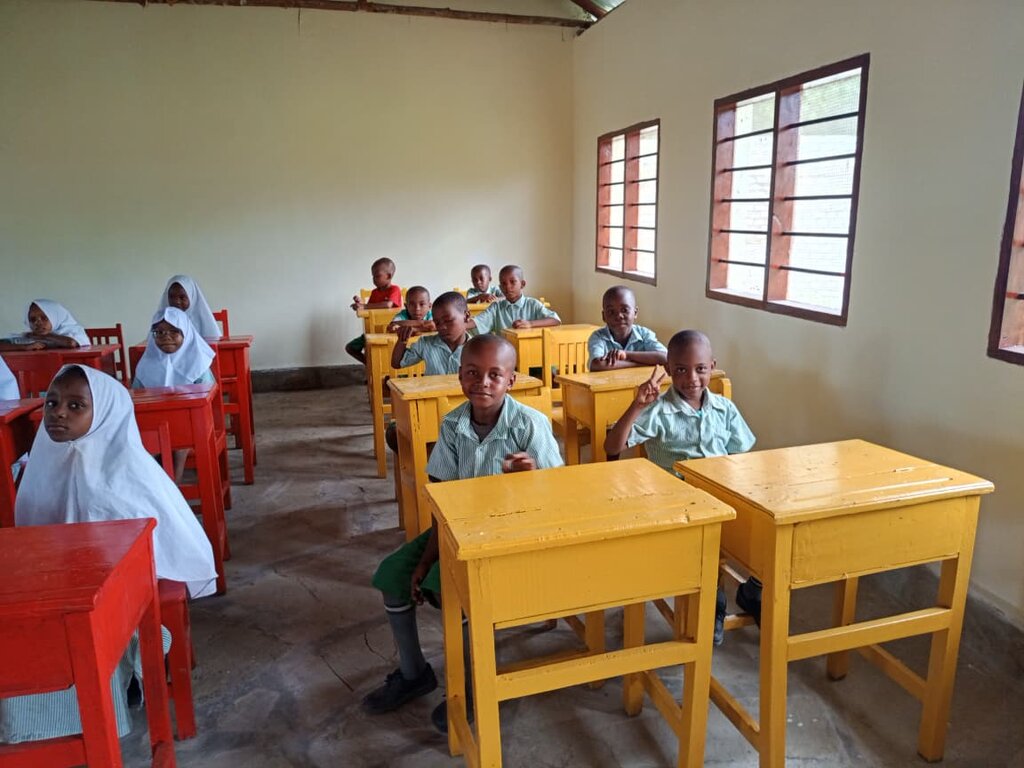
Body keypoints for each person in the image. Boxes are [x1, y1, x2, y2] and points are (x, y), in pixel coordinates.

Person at [2, 365, 216, 744]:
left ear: (104, 414)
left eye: (75, 405)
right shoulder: (43, 465)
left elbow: (152, 548)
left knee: (81, 636)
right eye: (52, 403)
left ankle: (111, 689)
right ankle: (61, 705)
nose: (58, 413)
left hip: (124, 585)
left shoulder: (127, 473)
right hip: (62, 584)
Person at [363, 335, 562, 732]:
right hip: (459, 530)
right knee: (392, 576)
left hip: (512, 535)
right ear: (459, 376)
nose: (482, 383)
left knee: (456, 594)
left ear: (512, 379)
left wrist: (533, 479)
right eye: (473, 373)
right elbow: (443, 504)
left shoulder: (530, 424)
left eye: (495, 375)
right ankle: (414, 671)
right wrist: (424, 558)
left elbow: (558, 496)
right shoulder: (453, 425)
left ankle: (473, 684)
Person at [604, 330, 758, 644]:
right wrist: (636, 406)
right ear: (670, 370)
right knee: (709, 545)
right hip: (675, 501)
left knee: (766, 531)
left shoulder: (724, 409)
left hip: (720, 494)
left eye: (700, 369)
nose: (691, 378)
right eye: (681, 370)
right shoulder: (658, 411)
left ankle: (754, 588)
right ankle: (713, 606)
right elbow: (611, 446)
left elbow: (742, 457)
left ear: (712, 366)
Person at [588, 285, 667, 371]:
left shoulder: (644, 334)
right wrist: (641, 364)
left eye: (624, 310)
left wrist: (626, 355)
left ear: (635, 313)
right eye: (611, 312)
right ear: (603, 316)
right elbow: (597, 365)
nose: (618, 316)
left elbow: (666, 357)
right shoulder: (598, 337)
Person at [132, 307, 216, 389]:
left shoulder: (199, 365)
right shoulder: (145, 366)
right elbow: (136, 397)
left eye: (174, 331)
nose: (166, 337)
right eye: (159, 332)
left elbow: (207, 398)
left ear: (186, 334)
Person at [471, 265, 561, 334]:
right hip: (504, 355)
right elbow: (478, 321)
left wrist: (530, 324)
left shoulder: (533, 304)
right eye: (503, 283)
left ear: (522, 284)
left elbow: (555, 320)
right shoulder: (496, 308)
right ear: (500, 287)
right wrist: (462, 323)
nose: (508, 287)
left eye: (513, 282)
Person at [346, 257, 402, 365]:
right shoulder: (374, 292)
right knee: (350, 348)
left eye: (377, 276)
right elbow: (369, 307)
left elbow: (388, 305)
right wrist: (360, 304)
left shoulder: (394, 289)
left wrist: (364, 306)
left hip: (390, 333)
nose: (374, 279)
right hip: (372, 331)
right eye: (373, 276)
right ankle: (371, 366)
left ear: (389, 276)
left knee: (388, 355)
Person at [0, 300, 89, 351]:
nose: (37, 323)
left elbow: (71, 343)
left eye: (44, 318)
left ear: (56, 316)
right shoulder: (31, 337)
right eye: (32, 319)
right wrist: (25, 347)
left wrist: (42, 336)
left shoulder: (74, 330)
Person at [158, 275, 220, 339]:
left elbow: (213, 344)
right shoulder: (161, 321)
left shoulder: (204, 321)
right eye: (172, 297)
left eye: (182, 297)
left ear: (191, 297)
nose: (177, 302)